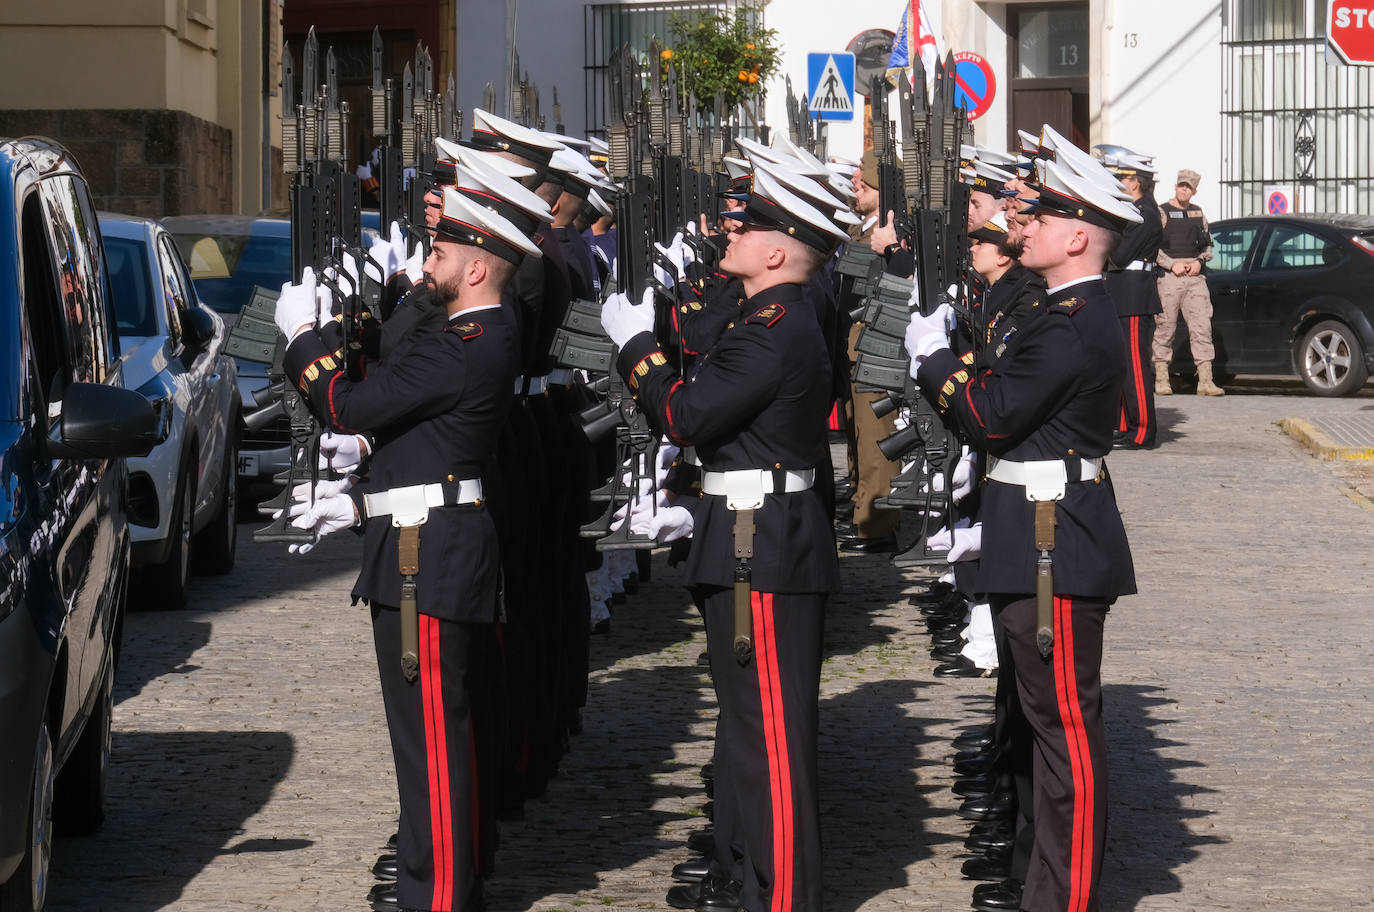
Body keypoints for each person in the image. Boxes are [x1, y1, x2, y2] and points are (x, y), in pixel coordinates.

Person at [277, 185, 542, 912]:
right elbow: (415, 440)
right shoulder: (468, 339)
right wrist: (361, 498)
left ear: (480, 269)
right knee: (424, 744)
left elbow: (348, 406)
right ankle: (434, 885)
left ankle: (444, 897)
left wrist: (302, 339)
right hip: (420, 544)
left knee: (436, 745)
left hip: (430, 559)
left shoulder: (467, 347)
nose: (430, 262)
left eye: (442, 252)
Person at [600, 156, 847, 912]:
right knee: (748, 728)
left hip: (759, 540)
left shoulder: (773, 330)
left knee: (768, 737)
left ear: (779, 252)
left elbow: (686, 415)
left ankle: (781, 898)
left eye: (753, 224)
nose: (734, 230)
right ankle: (751, 877)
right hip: (746, 528)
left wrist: (636, 347)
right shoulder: (762, 316)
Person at [906, 153, 1139, 912]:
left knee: (1064, 732)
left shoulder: (1071, 325)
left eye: (1039, 216)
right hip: (1034, 536)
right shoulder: (1054, 311)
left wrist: (934, 360)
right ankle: (1046, 882)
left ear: (1079, 235)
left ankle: (1065, 898)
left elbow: (991, 414)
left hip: (1053, 547)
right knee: (1045, 727)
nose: (1022, 224)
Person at [1096, 145, 1163, 449]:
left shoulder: (1145, 214)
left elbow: (1120, 256)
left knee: (1136, 367)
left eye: (1120, 176)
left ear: (1134, 181)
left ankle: (1142, 431)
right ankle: (1124, 424)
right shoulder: (1133, 211)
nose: (1117, 180)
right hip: (1122, 293)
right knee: (1122, 365)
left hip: (1134, 295)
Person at [1154, 169, 1223, 395]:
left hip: (1194, 278)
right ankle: (1162, 379)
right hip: (1170, 277)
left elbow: (1207, 244)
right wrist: (1170, 264)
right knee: (1165, 328)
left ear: (1194, 191)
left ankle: (1205, 380)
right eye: (1181, 185)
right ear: (1175, 186)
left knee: (1202, 327)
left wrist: (1199, 261)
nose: (1184, 189)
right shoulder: (1161, 212)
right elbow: (1151, 245)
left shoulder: (1197, 213)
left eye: (1188, 187)